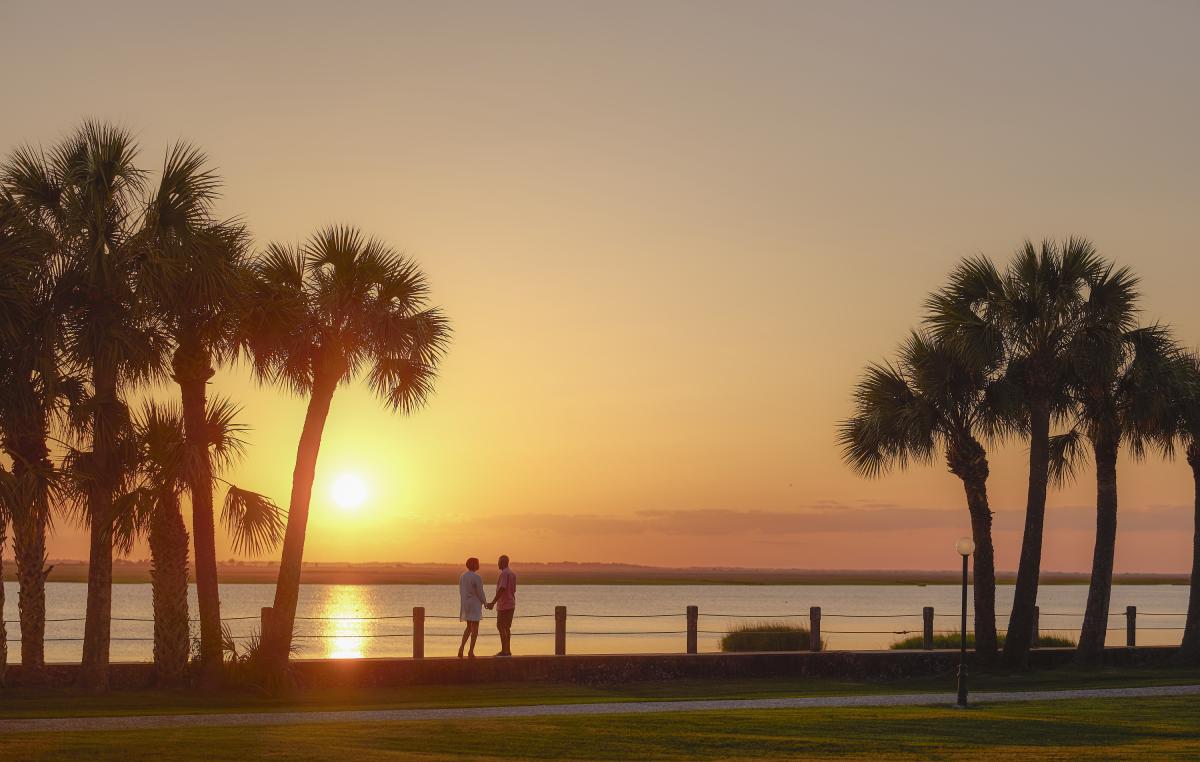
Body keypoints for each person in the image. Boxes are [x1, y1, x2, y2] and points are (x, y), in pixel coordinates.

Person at [485, 554, 517, 657]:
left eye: (499, 562)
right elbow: (513, 590)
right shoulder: (512, 573)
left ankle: (504, 651)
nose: (497, 564)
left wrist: (493, 602)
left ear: (503, 563)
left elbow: (502, 589)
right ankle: (508, 650)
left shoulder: (504, 574)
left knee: (500, 626)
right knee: (507, 628)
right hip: (511, 603)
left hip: (504, 604)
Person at [457, 557, 486, 658]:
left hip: (466, 604)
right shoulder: (477, 577)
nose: (479, 565)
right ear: (474, 565)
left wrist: (465, 601)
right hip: (474, 604)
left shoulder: (462, 576)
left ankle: (461, 648)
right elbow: (480, 592)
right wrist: (485, 602)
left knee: (468, 627)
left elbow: (461, 591)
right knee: (475, 629)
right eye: (477, 563)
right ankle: (471, 651)